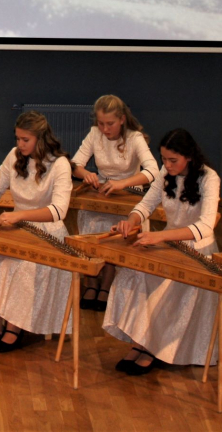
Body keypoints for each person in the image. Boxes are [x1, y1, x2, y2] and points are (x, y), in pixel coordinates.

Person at [102, 128, 221, 376]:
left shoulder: (209, 178)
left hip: (197, 252)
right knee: (131, 277)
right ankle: (144, 341)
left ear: (189, 156)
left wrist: (161, 235)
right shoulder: (166, 172)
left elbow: (205, 226)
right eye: (164, 159)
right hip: (169, 242)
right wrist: (131, 220)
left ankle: (153, 347)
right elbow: (146, 204)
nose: (167, 165)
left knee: (163, 290)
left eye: (172, 160)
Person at [0, 111, 74, 354]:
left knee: (24, 268)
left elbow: (59, 210)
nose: (19, 144)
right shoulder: (15, 156)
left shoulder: (59, 164)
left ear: (40, 138)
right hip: (15, 226)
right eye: (17, 139)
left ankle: (15, 327)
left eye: (25, 140)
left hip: (47, 233)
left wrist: (19, 215)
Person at [69, 95, 159, 311]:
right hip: (102, 191)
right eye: (100, 123)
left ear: (121, 120)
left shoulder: (134, 137)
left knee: (113, 237)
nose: (105, 128)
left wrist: (122, 183)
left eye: (109, 124)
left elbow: (153, 171)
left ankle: (106, 287)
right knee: (90, 232)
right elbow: (74, 164)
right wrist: (85, 174)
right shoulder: (94, 134)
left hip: (128, 195)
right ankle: (91, 283)